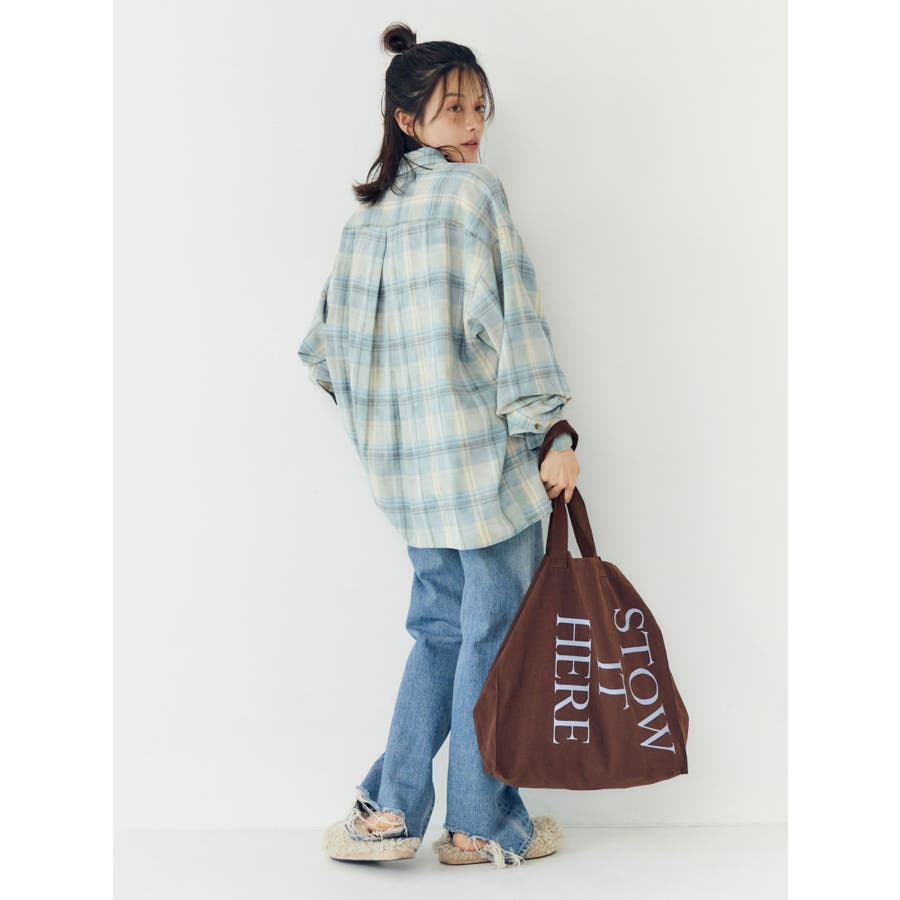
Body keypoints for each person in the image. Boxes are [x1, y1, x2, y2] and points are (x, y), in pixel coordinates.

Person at [300, 22, 577, 869]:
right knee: (489, 637)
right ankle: (477, 826)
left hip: (410, 478)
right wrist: (552, 431)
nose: (474, 124)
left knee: (440, 632)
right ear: (407, 120)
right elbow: (512, 323)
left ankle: (388, 814)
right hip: (484, 465)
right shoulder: (474, 195)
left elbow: (324, 354)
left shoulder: (366, 220)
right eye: (455, 109)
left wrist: (395, 422)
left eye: (480, 108)